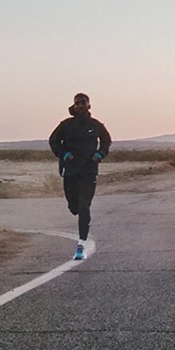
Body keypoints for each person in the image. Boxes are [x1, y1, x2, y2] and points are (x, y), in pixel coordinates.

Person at [49, 92, 112, 260]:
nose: (81, 105)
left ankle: (81, 244)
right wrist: (64, 154)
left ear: (89, 105)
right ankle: (74, 207)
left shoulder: (96, 125)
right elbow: (53, 141)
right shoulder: (66, 125)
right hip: (70, 170)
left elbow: (107, 141)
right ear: (74, 106)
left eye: (83, 102)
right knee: (74, 207)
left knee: (84, 206)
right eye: (77, 103)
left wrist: (100, 154)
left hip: (89, 170)